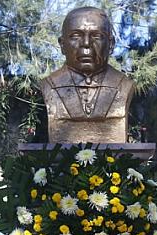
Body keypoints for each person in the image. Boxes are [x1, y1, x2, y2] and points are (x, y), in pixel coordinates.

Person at [40, 6, 134, 143]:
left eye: (97, 36)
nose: (86, 44)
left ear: (111, 44)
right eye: (75, 36)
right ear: (62, 44)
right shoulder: (49, 85)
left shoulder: (124, 85)